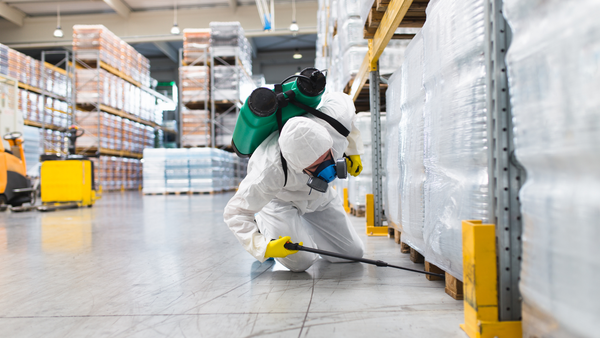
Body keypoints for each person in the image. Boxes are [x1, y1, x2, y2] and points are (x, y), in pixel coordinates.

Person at [223, 92, 365, 272]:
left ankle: (303, 226)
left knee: (353, 253)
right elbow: (234, 212)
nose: (327, 167)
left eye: (327, 157)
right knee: (301, 262)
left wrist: (353, 150)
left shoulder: (333, 121)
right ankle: (264, 228)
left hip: (320, 197)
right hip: (280, 201)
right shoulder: (269, 171)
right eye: (316, 167)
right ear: (297, 166)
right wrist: (262, 246)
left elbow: (345, 105)